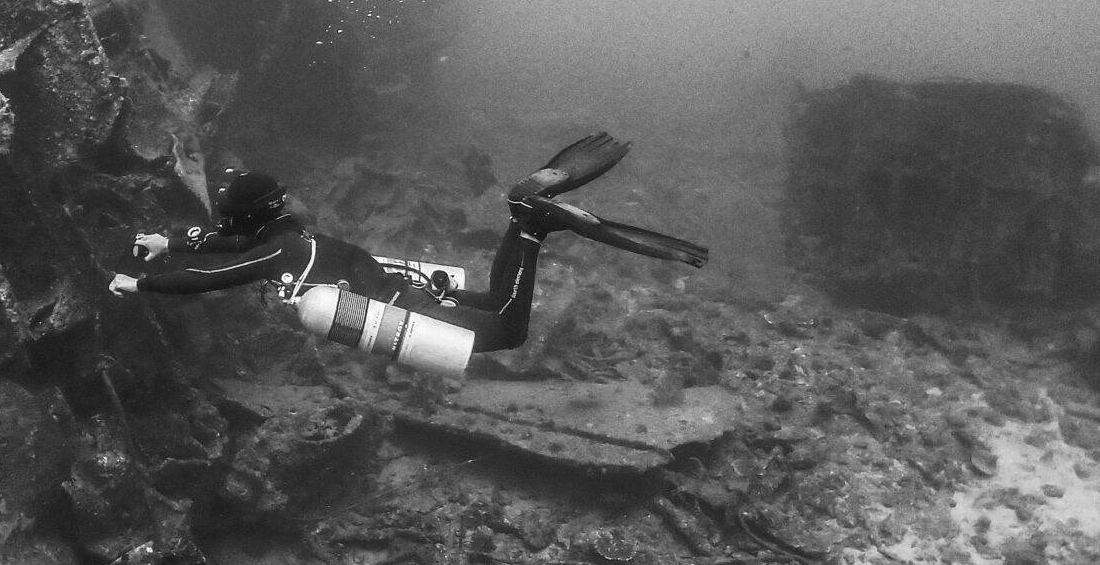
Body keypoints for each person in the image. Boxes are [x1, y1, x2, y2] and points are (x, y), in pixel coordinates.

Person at [107, 133, 706, 354]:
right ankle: (526, 219)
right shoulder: (287, 236)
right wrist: (170, 240)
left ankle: (530, 222)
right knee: (497, 300)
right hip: (405, 290)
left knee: (509, 331)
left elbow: (214, 273)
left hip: (407, 306)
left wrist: (143, 282)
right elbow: (225, 241)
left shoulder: (276, 252)